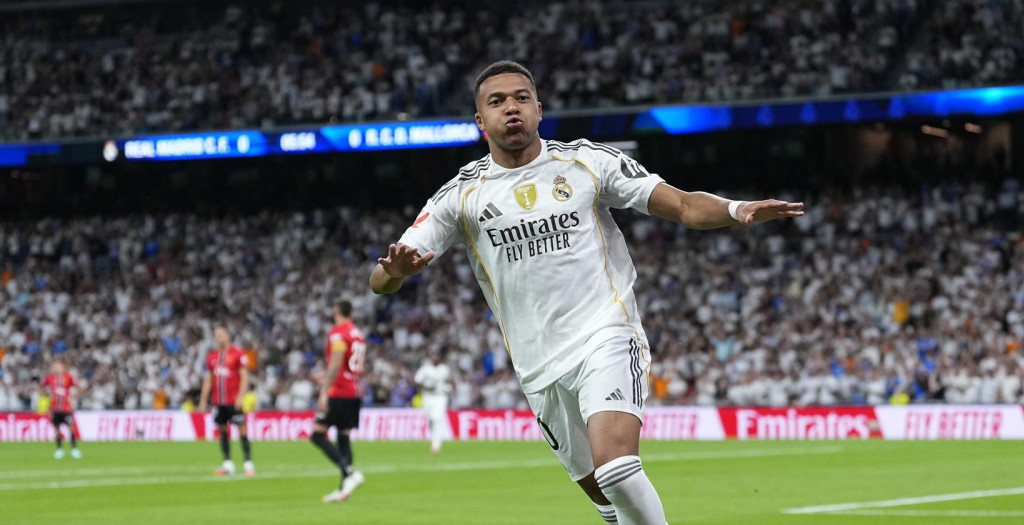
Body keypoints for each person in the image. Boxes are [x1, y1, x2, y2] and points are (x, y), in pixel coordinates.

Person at [370, 60, 804, 525]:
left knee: (617, 469)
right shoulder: (459, 195)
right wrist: (395, 272)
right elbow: (380, 280)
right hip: (537, 366)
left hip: (606, 332)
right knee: (608, 506)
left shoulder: (587, 162)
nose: (510, 108)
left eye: (520, 98)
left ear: (539, 109)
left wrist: (737, 209)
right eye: (496, 102)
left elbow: (680, 204)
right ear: (480, 121)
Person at [313, 301, 367, 503]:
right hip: (355, 390)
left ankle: (350, 473)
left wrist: (324, 390)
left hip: (340, 391)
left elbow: (336, 362)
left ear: (335, 311)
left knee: (317, 434)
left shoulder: (338, 333)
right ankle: (344, 489)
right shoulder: (357, 334)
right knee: (343, 439)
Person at [197, 326, 254, 477]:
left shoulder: (238, 354)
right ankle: (228, 465)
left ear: (228, 335)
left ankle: (248, 464)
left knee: (242, 430)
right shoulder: (212, 356)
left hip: (233, 400)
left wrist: (241, 396)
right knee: (223, 431)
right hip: (218, 401)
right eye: (216, 335)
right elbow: (208, 378)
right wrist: (203, 400)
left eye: (222, 334)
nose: (219, 337)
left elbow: (244, 376)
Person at [39, 361, 81, 459]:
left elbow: (78, 387)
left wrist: (73, 397)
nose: (56, 368)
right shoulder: (49, 378)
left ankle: (74, 449)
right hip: (54, 409)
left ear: (63, 367)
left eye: (58, 366)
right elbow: (41, 387)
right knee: (57, 430)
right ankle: (59, 450)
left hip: (66, 409)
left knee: (71, 428)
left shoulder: (68, 377)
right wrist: (46, 396)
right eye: (54, 367)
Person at [414, 349, 451, 455]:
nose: (434, 358)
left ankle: (436, 446)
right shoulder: (425, 369)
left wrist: (448, 388)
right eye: (433, 356)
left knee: (437, 419)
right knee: (430, 420)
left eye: (436, 356)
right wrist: (425, 386)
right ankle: (434, 439)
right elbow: (417, 380)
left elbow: (448, 381)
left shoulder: (444, 369)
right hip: (428, 396)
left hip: (440, 397)